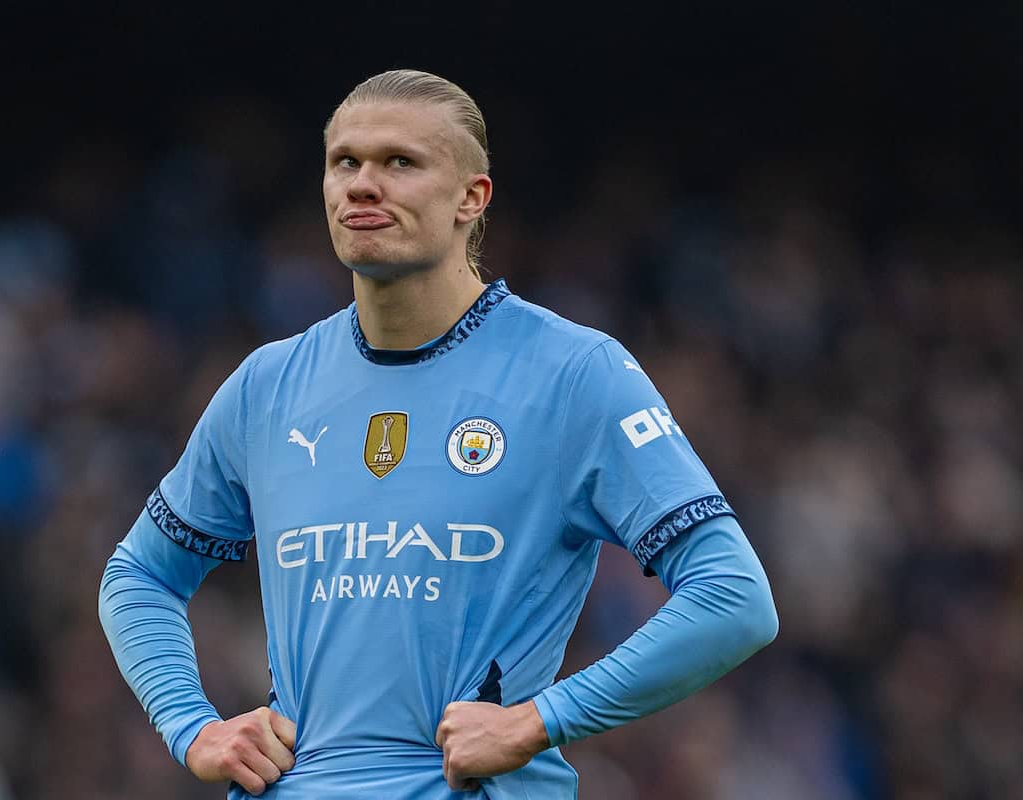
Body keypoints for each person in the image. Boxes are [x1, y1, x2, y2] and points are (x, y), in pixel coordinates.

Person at [99, 68, 778, 799]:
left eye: (400, 162)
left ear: (471, 198)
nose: (362, 184)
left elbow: (732, 596)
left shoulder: (574, 374)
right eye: (344, 162)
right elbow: (138, 575)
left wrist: (537, 721)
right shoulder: (268, 386)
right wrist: (190, 725)